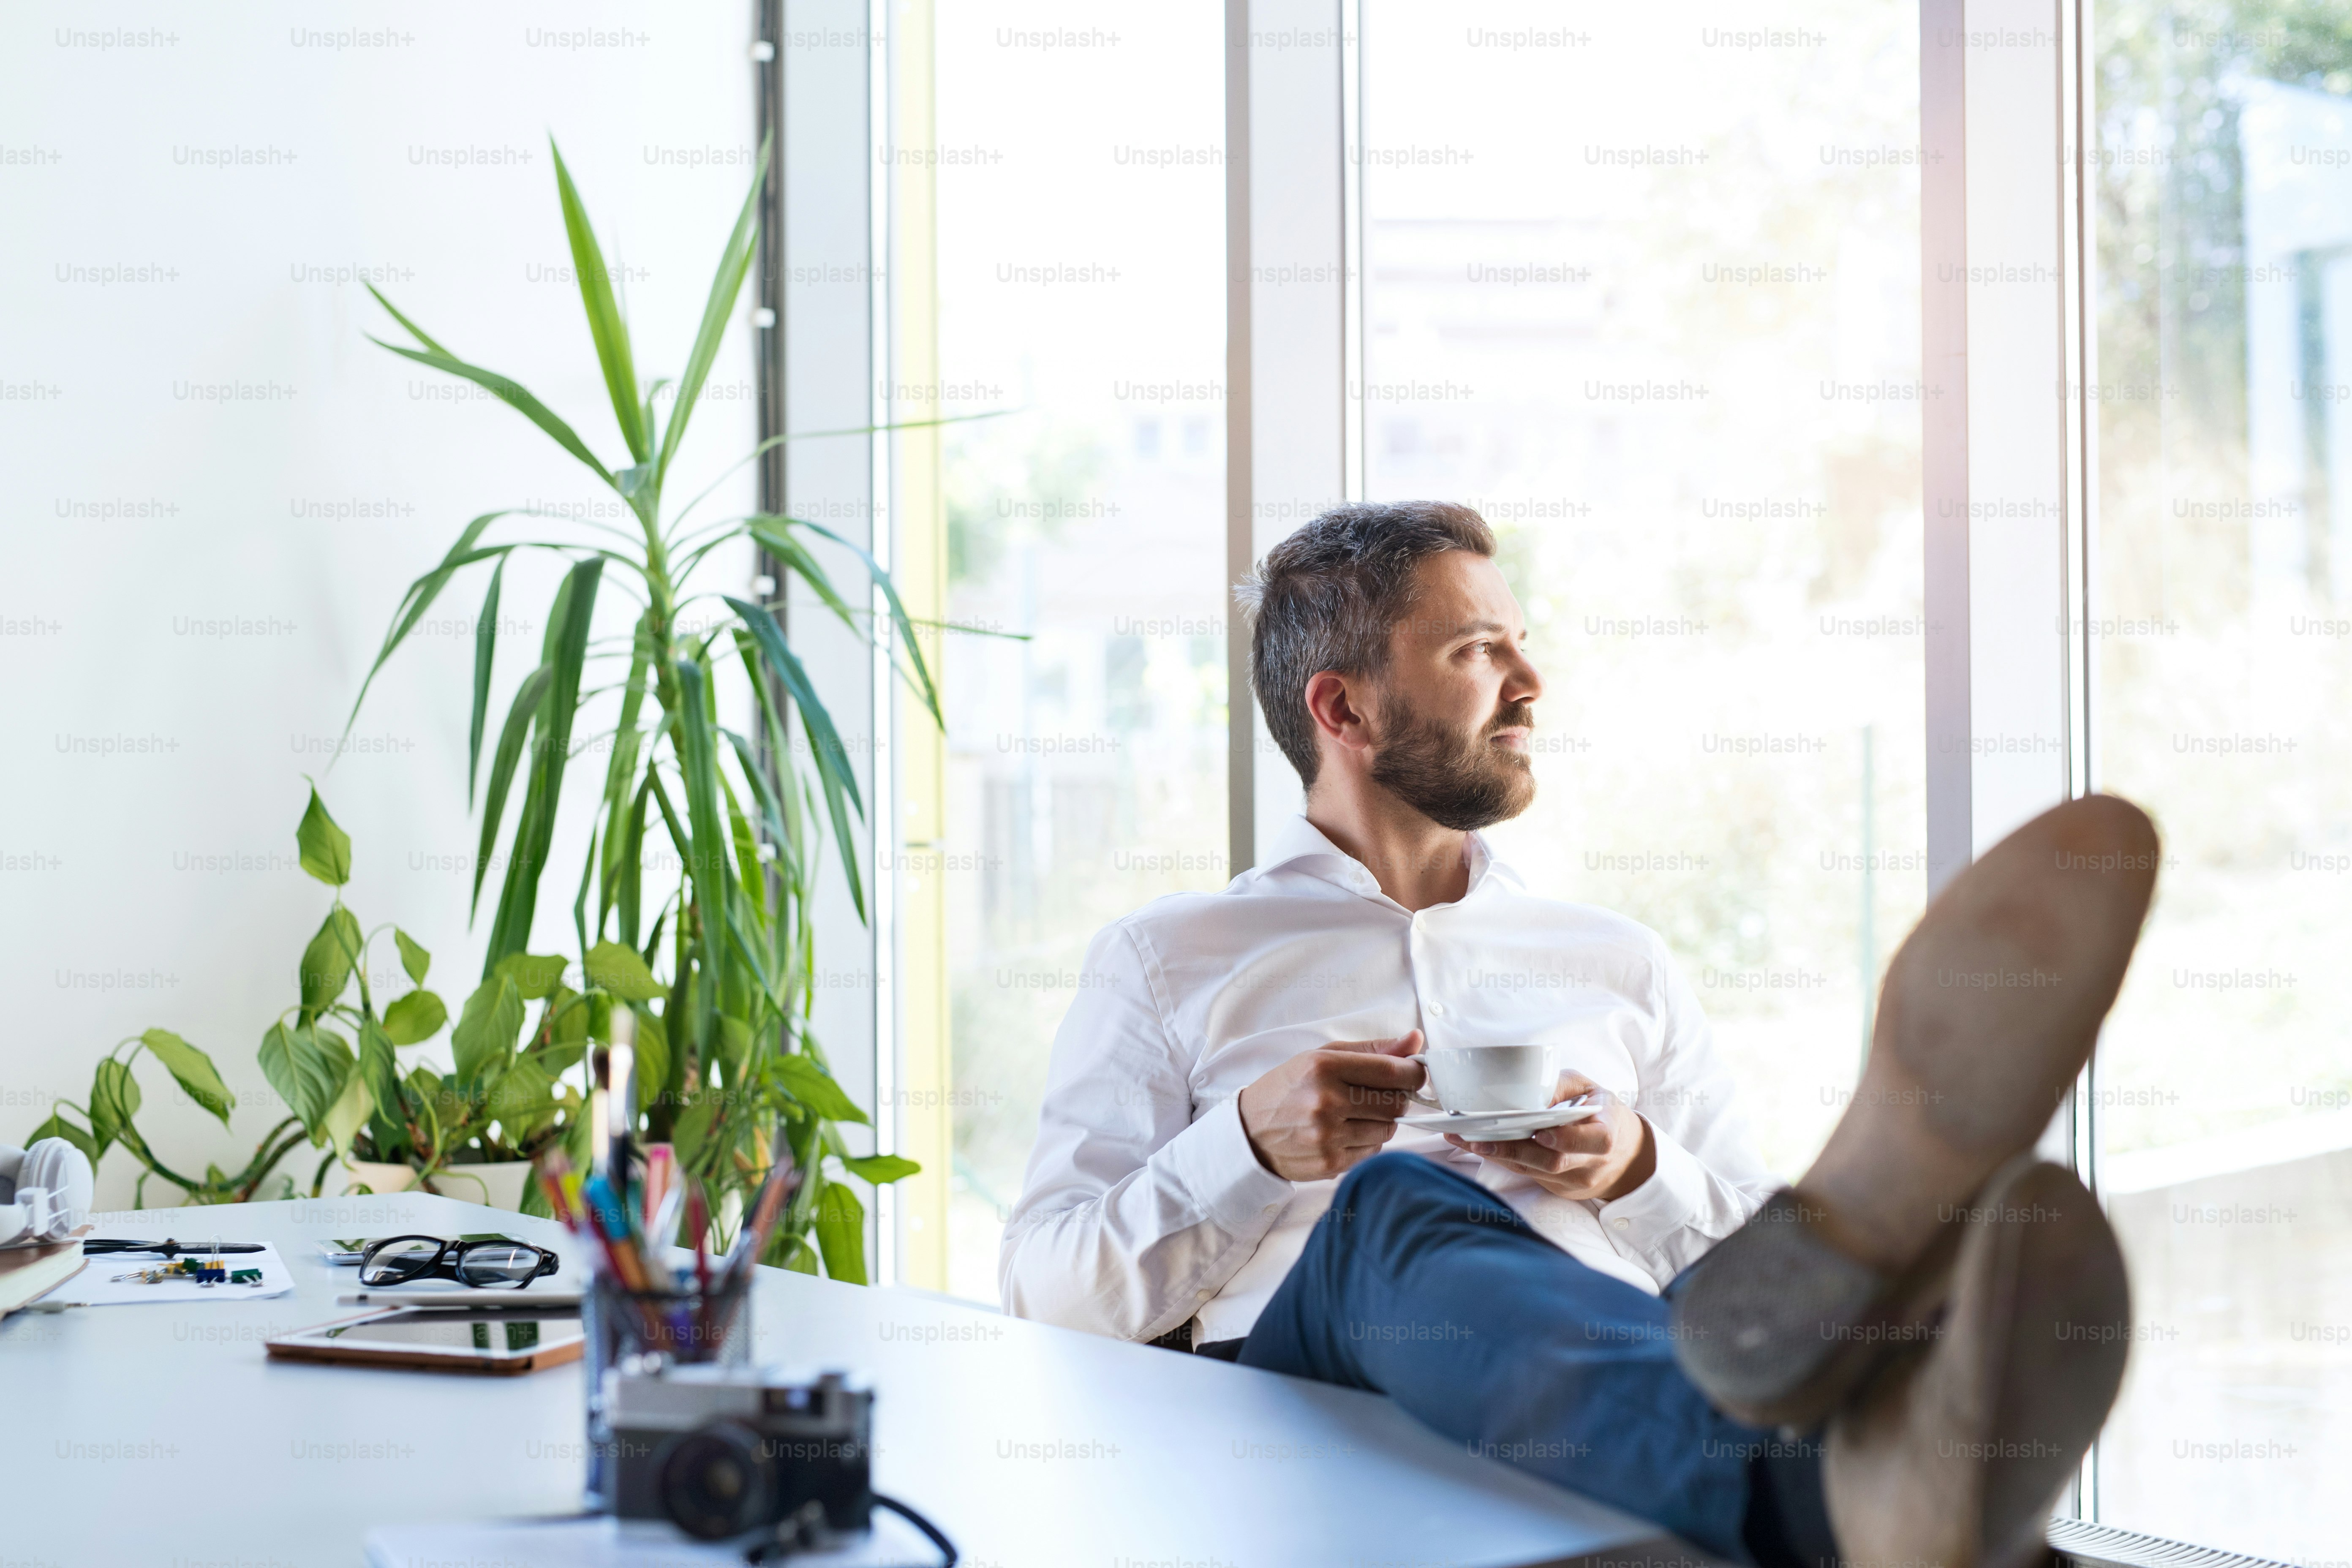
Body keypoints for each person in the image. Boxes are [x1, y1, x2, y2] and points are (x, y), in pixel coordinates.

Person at [1001, 502, 2154, 1568]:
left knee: (1749, 1283)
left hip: (1613, 1394)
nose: (1530, 684)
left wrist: (1638, 1168)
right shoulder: (1171, 958)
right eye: (1476, 653)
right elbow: (1045, 1294)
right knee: (1387, 1211)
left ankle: (1895, 1432)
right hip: (1305, 1391)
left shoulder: (1616, 958)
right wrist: (1245, 1152)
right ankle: (1831, 1486)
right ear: (1342, 709)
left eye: (1518, 643)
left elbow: (1740, 1277)